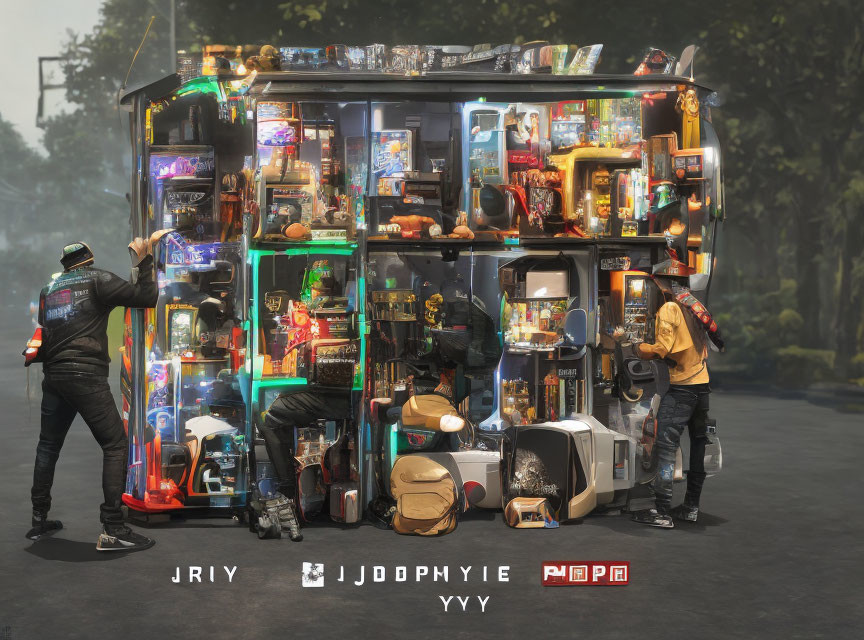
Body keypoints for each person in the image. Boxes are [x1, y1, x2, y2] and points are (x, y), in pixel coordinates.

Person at [26, 235, 165, 551]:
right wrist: (144, 261)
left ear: (65, 266)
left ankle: (38, 520)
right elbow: (146, 296)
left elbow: (44, 339)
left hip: (55, 376)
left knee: (48, 445)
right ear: (88, 259)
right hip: (85, 375)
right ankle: (114, 528)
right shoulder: (98, 279)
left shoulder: (49, 291)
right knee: (116, 444)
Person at [629, 256, 722, 529]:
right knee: (697, 444)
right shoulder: (694, 306)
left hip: (681, 388)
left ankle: (661, 511)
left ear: (663, 282)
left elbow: (662, 349)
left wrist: (636, 347)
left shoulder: (670, 308)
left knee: (666, 447)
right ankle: (691, 507)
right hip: (702, 385)